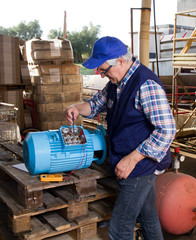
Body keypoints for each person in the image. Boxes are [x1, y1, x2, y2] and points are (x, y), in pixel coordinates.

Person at [64, 36, 176, 240]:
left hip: (139, 166)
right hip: (129, 160)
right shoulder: (117, 83)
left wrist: (132, 159)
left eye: (104, 70)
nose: (103, 75)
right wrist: (76, 108)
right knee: (147, 216)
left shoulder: (145, 84)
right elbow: (95, 105)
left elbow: (166, 130)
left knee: (119, 229)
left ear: (121, 61)